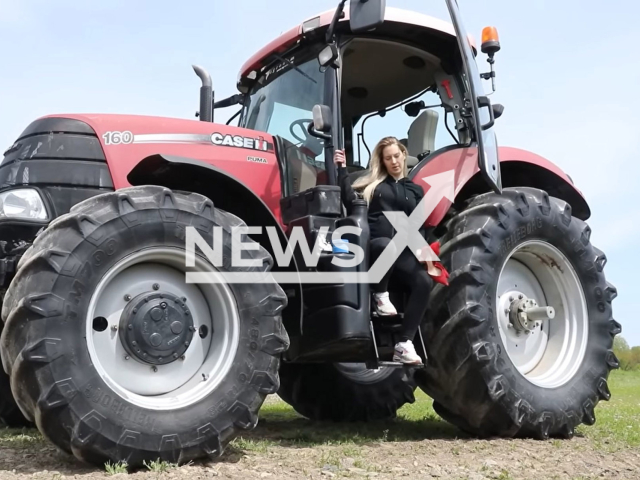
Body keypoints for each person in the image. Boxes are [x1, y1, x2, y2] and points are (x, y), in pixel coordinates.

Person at [334, 137, 443, 365]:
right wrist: (341, 169)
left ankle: (404, 344)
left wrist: (426, 257)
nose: (393, 161)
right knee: (386, 245)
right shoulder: (375, 185)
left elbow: (418, 226)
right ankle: (380, 295)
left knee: (423, 281)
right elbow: (348, 198)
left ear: (403, 155)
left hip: (402, 251)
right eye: (388, 158)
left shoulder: (415, 190)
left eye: (396, 156)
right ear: (382, 161)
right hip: (376, 245)